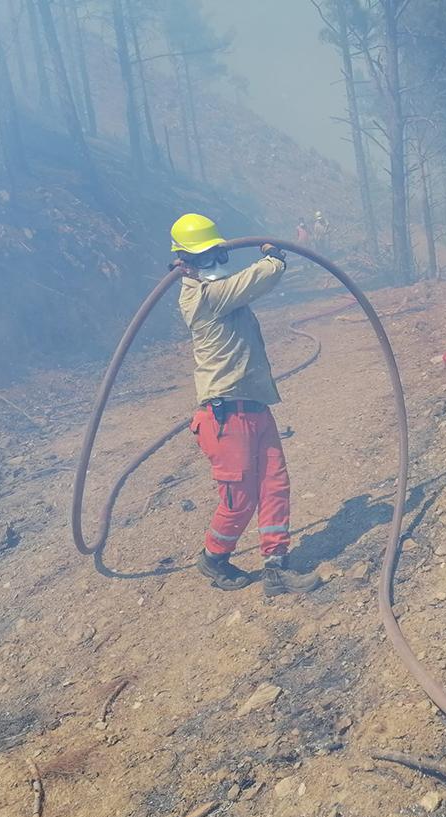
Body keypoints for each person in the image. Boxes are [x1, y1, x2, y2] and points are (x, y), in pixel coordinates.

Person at [170, 213, 323, 597]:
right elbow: (259, 278)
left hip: (254, 407)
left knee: (274, 486)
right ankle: (213, 557)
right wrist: (275, 257)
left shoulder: (222, 295)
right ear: (183, 264)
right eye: (204, 259)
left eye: (219, 255)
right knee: (240, 500)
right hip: (224, 416)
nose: (216, 266)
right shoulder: (202, 299)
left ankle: (276, 567)